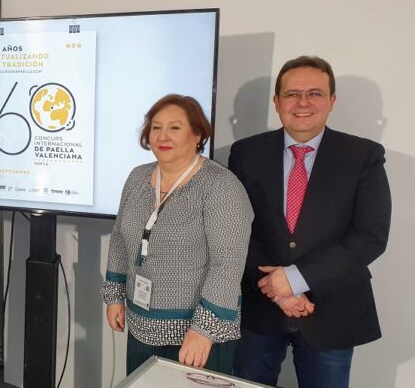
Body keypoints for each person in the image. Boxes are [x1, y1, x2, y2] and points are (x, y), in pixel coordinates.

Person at [229, 56, 391, 388]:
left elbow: (370, 236)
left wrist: (295, 278)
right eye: (292, 94)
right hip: (260, 308)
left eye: (315, 93)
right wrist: (277, 289)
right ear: (277, 102)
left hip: (332, 309)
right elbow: (233, 229)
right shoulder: (246, 153)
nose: (303, 102)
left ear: (332, 100)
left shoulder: (363, 156)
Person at [101, 94, 253, 375]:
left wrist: (203, 331)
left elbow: (228, 264)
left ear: (197, 134)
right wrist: (114, 295)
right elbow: (120, 238)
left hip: (196, 336)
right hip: (141, 325)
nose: (163, 136)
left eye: (175, 127)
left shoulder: (221, 186)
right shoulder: (137, 177)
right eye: (156, 127)